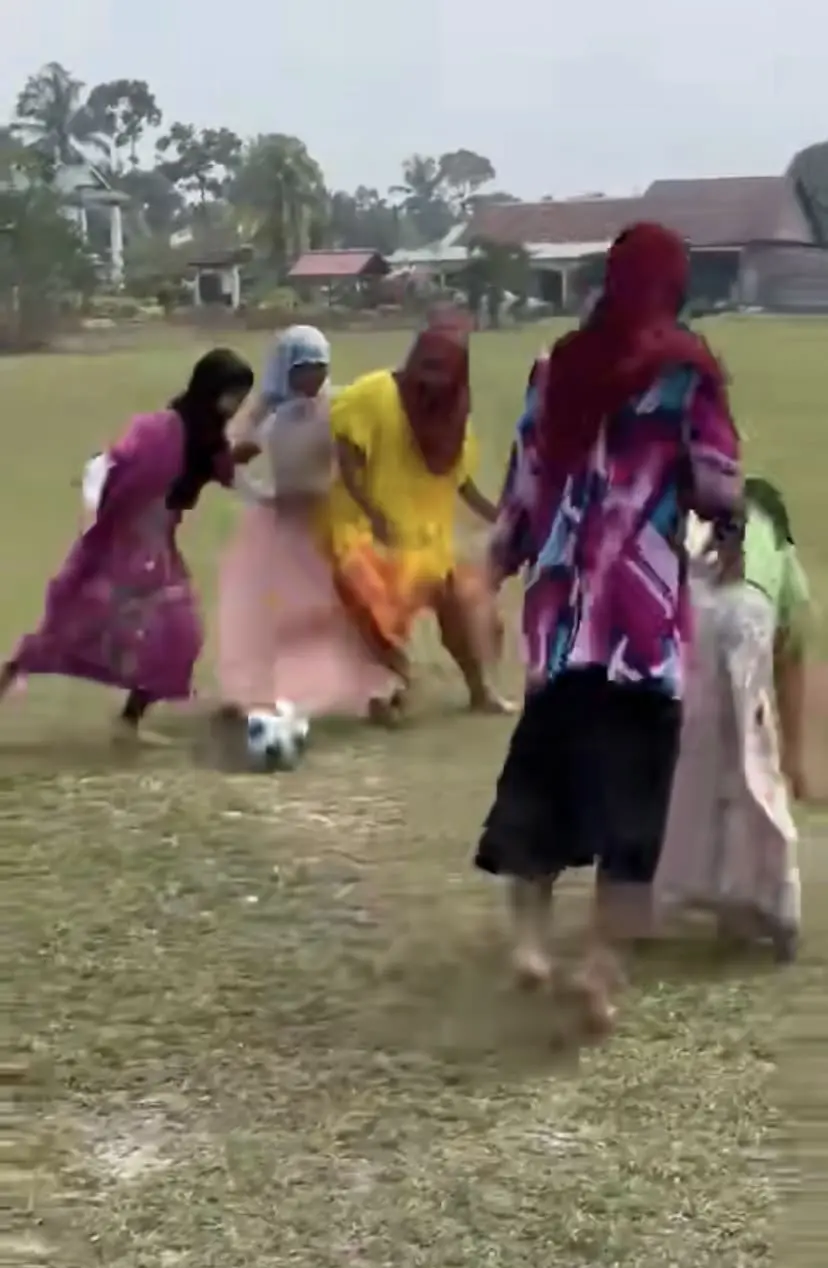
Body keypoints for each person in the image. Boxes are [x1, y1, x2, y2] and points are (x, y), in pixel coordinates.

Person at [474, 222, 743, 1033]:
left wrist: (495, 567)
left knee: (542, 785)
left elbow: (525, 483)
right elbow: (717, 485)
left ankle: (528, 944)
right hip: (643, 623)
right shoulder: (686, 375)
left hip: (560, 619)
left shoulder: (554, 369)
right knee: (634, 810)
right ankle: (598, 967)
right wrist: (724, 540)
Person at [0, 347, 255, 743]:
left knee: (179, 632)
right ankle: (15, 669)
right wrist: (90, 514)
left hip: (158, 549)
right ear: (210, 388)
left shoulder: (210, 442)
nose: (236, 404)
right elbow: (102, 466)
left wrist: (282, 499)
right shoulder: (159, 428)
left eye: (241, 397)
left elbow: (234, 479)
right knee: (83, 623)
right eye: (231, 394)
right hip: (122, 547)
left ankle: (129, 720)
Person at [318, 319, 506, 724]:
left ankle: (481, 691)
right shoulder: (372, 394)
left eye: (444, 369)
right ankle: (393, 691)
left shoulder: (454, 412)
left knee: (460, 609)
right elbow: (348, 464)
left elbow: (460, 478)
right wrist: (374, 514)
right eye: (428, 366)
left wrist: (499, 515)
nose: (433, 379)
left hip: (425, 536)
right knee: (378, 615)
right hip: (362, 531)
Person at [655, 477, 810, 961]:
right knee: (752, 763)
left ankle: (707, 890)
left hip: (695, 608)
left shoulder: (698, 511)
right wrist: (794, 752)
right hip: (743, 614)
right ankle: (773, 901)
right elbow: (792, 654)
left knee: (696, 762)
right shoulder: (780, 550)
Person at [216, 326, 400, 719]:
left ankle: (382, 690)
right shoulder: (270, 414)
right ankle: (261, 693)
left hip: (330, 524)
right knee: (274, 615)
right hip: (282, 527)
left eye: (320, 366)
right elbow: (229, 458)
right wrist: (260, 493)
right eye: (303, 367)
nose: (313, 376)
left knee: (354, 608)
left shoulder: (340, 405)